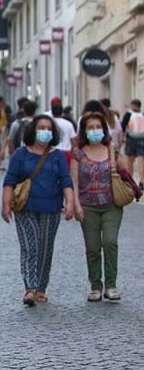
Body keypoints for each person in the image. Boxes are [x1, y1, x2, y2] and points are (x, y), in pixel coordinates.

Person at [1, 114, 75, 307]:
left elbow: (66, 180)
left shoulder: (57, 156)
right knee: (30, 246)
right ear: (33, 130)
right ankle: (30, 288)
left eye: (49, 129)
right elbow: (10, 179)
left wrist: (70, 202)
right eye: (42, 127)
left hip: (51, 208)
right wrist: (5, 204)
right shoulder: (20, 154)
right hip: (25, 207)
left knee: (45, 248)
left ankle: (41, 288)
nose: (45, 132)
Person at [71, 112, 125, 303]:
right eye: (90, 127)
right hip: (88, 206)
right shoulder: (78, 152)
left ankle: (111, 285)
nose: (95, 131)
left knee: (110, 242)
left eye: (98, 127)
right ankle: (95, 286)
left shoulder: (111, 148)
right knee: (92, 247)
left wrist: (119, 156)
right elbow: (74, 181)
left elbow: (124, 172)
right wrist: (75, 204)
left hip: (112, 205)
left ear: (104, 128)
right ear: (84, 131)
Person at [121, 99, 144, 188]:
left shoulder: (128, 114)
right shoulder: (143, 114)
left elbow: (123, 127)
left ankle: (131, 181)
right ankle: (142, 181)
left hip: (131, 139)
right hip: (142, 138)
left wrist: (122, 139)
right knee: (141, 161)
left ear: (132, 105)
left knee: (130, 160)